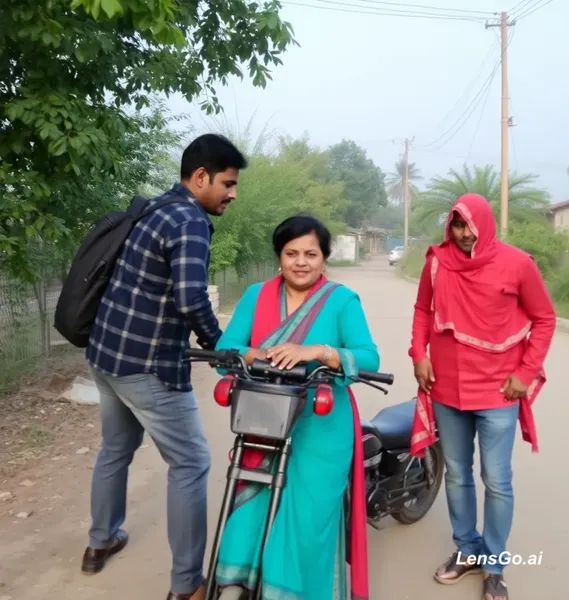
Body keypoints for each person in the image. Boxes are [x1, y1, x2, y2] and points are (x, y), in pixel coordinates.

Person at [82, 134, 247, 600]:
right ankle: (187, 585)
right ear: (201, 177)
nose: (233, 194)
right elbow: (191, 298)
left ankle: (99, 542)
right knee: (191, 462)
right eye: (228, 184)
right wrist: (221, 346)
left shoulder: (155, 208)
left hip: (106, 355)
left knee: (115, 449)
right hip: (147, 366)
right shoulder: (190, 220)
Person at [212, 215, 379, 600]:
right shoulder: (256, 296)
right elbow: (226, 350)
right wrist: (254, 354)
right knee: (250, 508)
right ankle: (237, 582)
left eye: (310, 254)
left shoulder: (341, 301)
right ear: (279, 257)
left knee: (308, 519)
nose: (301, 262)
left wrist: (318, 351)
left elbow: (368, 357)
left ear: (324, 258)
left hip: (321, 426)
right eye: (291, 253)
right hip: (264, 420)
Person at [408, 193, 556, 600]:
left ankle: (494, 566)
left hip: (497, 390)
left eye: (470, 225)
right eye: (457, 225)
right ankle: (467, 549)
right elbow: (422, 310)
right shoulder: (437, 262)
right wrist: (419, 354)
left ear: (485, 224)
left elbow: (545, 318)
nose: (464, 233)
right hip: (446, 388)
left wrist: (525, 373)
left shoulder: (517, 263)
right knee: (457, 474)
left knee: (496, 479)